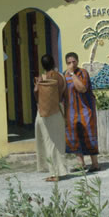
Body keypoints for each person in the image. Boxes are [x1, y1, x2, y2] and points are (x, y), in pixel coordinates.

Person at [63, 52, 100, 173]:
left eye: (74, 62)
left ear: (77, 61)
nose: (71, 64)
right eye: (69, 62)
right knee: (74, 137)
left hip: (85, 111)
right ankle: (81, 163)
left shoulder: (82, 73)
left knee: (89, 136)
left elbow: (82, 88)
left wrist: (73, 74)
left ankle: (95, 164)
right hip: (71, 112)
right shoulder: (64, 75)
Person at [33, 54, 68, 182]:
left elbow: (37, 93)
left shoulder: (43, 78)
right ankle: (61, 170)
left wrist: (36, 88)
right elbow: (66, 95)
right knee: (58, 142)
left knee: (48, 142)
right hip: (58, 110)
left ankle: (54, 173)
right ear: (54, 62)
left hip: (45, 112)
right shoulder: (62, 77)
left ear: (43, 65)